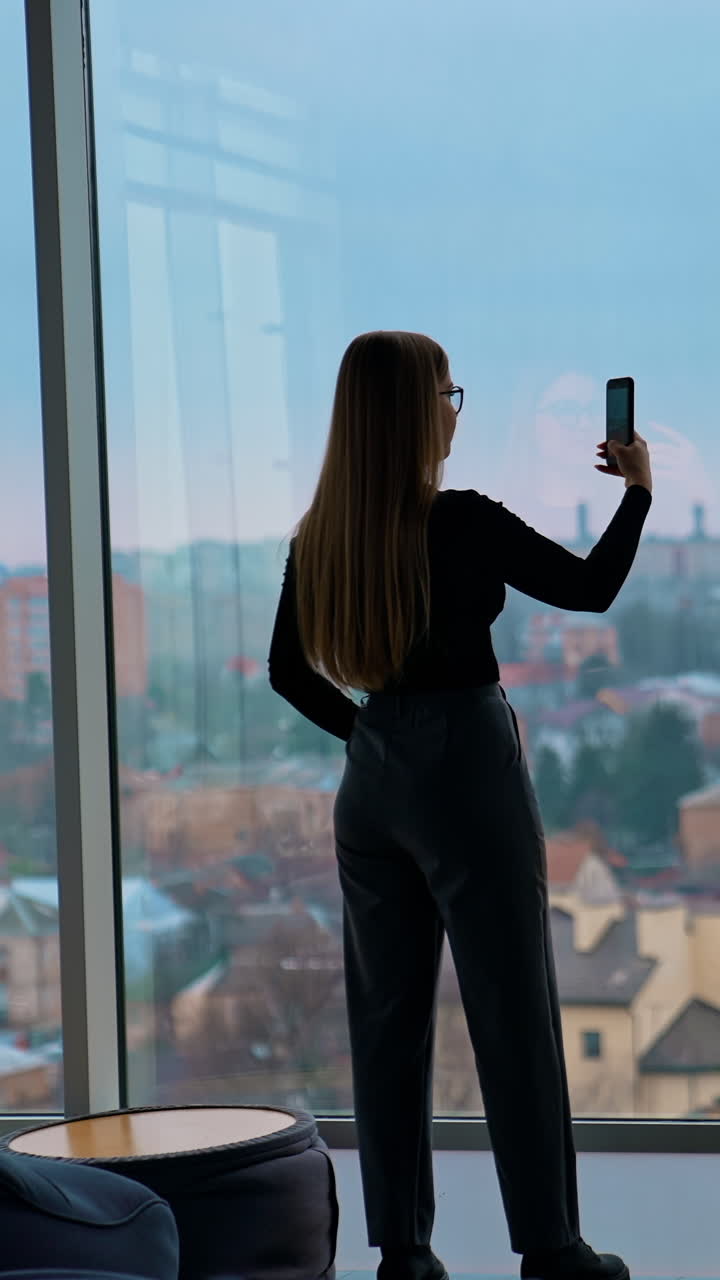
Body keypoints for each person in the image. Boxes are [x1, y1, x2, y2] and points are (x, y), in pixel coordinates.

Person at [268, 331, 653, 1280]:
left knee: (386, 1026)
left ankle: (404, 1254)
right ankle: (552, 1250)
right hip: (469, 771)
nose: (455, 410)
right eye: (447, 393)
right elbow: (591, 590)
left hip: (371, 786)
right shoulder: (463, 519)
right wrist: (637, 490)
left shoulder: (321, 536)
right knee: (513, 1012)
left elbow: (288, 672)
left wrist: (372, 737)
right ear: (415, 413)